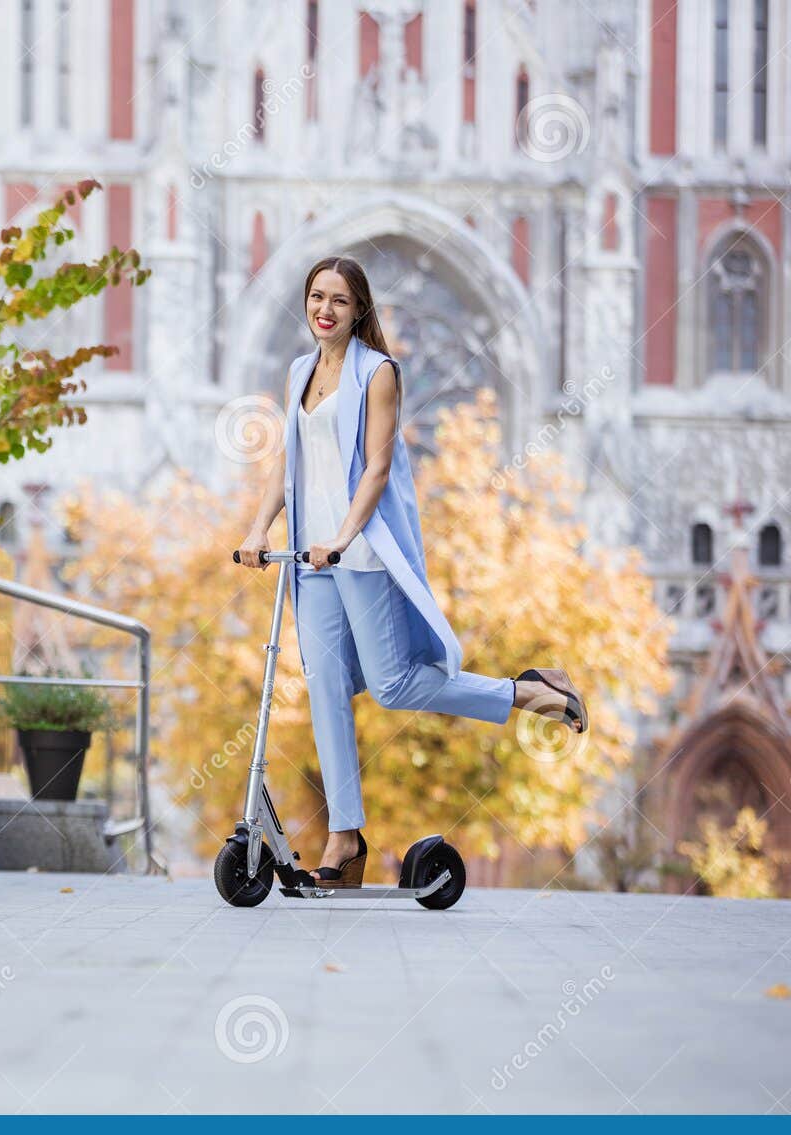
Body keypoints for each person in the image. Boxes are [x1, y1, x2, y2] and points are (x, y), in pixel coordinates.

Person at [236, 255, 587, 886]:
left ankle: (526, 693)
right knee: (323, 690)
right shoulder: (299, 372)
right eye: (317, 297)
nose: (325, 309)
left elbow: (374, 469)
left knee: (393, 685)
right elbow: (289, 462)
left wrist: (341, 538)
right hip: (307, 559)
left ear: (359, 310)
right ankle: (344, 841)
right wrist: (258, 528)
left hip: (360, 554)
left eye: (339, 301)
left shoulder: (379, 375)